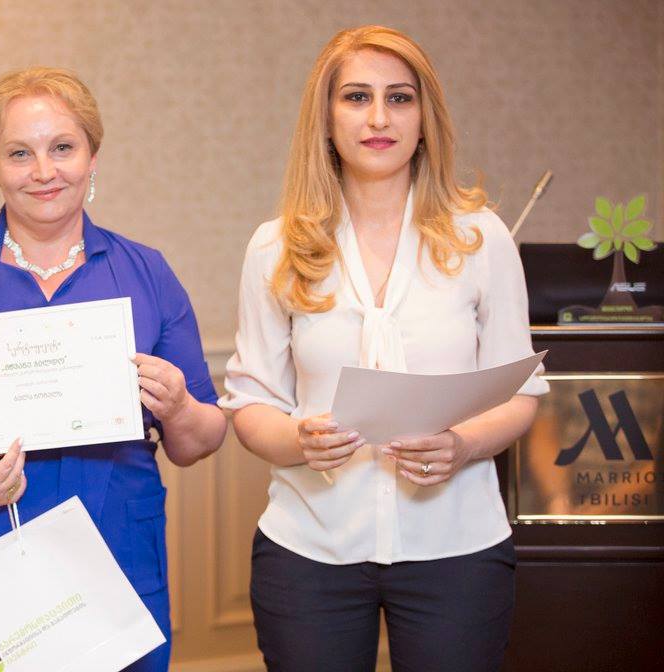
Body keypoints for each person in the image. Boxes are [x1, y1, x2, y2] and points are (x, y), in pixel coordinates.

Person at [0, 67, 226, 672]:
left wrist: (180, 407)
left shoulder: (146, 272)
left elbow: (200, 441)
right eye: (19, 153)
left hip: (116, 548)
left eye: (62, 148)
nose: (44, 171)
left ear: (92, 155)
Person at [219, 26, 548, 672]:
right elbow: (252, 404)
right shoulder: (274, 247)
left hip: (457, 548)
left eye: (399, 98)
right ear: (325, 118)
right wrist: (298, 440)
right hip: (309, 550)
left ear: (424, 119)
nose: (378, 118)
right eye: (356, 97)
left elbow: (520, 396)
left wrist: (461, 446)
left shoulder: (481, 239)